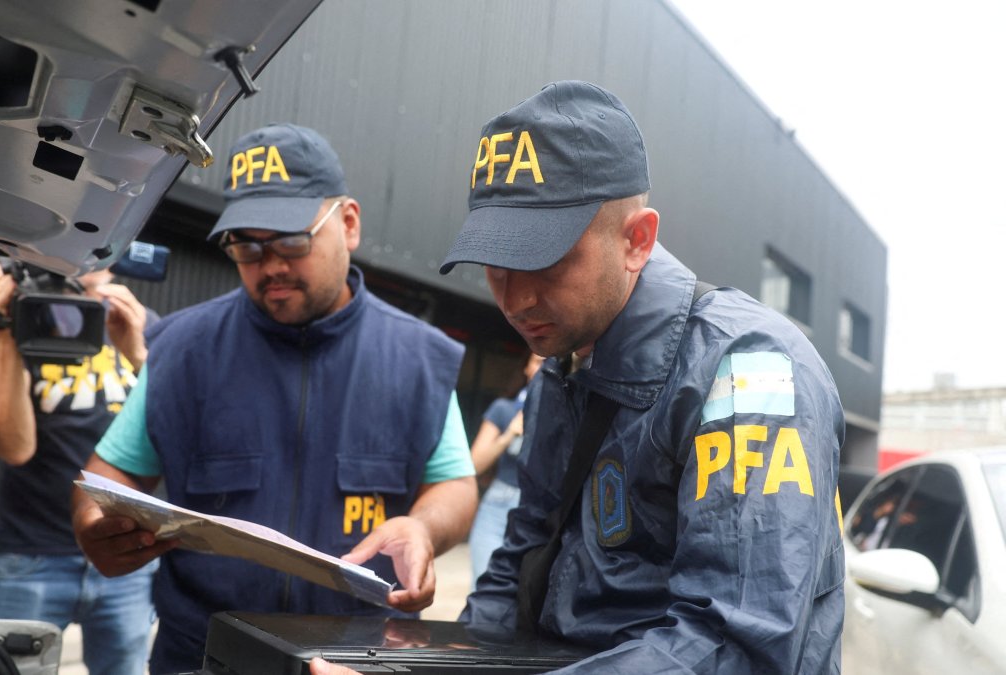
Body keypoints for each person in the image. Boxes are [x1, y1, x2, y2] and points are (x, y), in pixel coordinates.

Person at [432, 81, 842, 674]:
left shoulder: (751, 370)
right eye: (495, 263)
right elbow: (521, 560)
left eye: (543, 259)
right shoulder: (562, 366)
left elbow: (735, 644)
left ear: (636, 240)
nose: (515, 299)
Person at [70, 123, 479, 673]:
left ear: (349, 224)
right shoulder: (184, 351)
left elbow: (454, 484)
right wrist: (97, 527)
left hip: (354, 660)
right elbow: (106, 477)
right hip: (205, 657)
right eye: (247, 246)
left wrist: (424, 528)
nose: (272, 265)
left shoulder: (415, 357)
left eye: (292, 241)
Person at [0, 263, 157, 675]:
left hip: (126, 549)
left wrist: (140, 354)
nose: (83, 261)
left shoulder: (138, 321)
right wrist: (5, 331)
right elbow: (14, 448)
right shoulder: (21, 320)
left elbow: (171, 434)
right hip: (31, 552)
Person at [467, 352, 543, 583]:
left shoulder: (568, 412)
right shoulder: (503, 409)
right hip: (498, 506)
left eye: (552, 362)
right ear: (527, 367)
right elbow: (474, 465)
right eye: (538, 362)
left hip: (540, 510)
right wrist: (508, 434)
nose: (544, 368)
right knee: (485, 584)